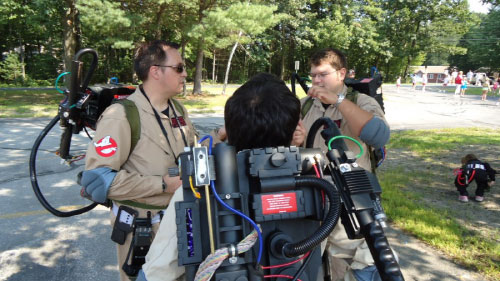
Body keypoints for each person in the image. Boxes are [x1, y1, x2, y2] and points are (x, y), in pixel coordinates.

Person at [137, 73, 303, 281]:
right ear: (294, 129)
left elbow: (157, 273)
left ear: (231, 130)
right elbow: (352, 255)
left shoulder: (199, 192)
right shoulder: (320, 185)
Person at [79, 40, 219, 281]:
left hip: (183, 224)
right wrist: (162, 185)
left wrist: (220, 137)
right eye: (179, 67)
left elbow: (192, 150)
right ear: (155, 71)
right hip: (144, 233)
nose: (185, 73)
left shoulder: (178, 110)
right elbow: (97, 182)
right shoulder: (120, 115)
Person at [295, 48, 390, 281]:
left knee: (346, 266)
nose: (316, 80)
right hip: (312, 199)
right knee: (307, 264)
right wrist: (293, 140)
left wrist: (338, 101)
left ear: (341, 73)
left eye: (323, 74)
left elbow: (378, 136)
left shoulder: (362, 102)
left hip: (352, 202)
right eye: (313, 75)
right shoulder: (305, 105)